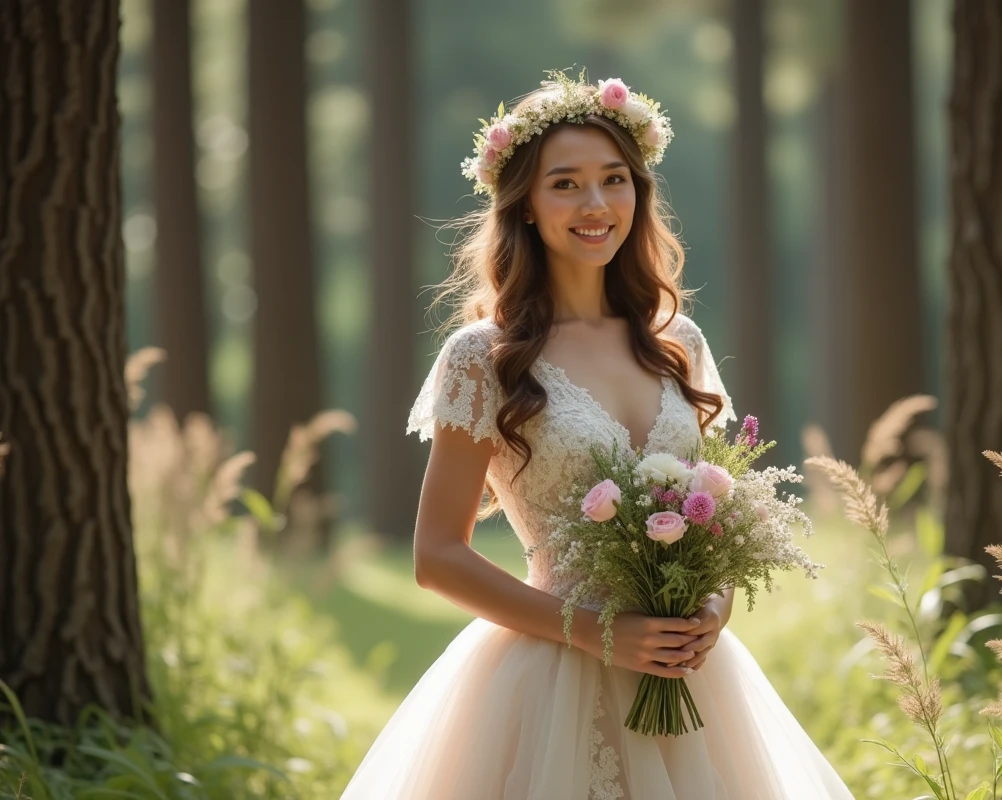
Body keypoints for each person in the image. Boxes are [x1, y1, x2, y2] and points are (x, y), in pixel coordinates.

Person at [341, 70, 854, 799]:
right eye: (566, 184)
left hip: (694, 680)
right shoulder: (482, 358)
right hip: (551, 675)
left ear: (638, 194)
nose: (595, 204)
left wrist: (712, 608)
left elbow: (719, 518)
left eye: (614, 179)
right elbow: (437, 555)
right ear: (524, 206)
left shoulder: (679, 343)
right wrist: (596, 632)